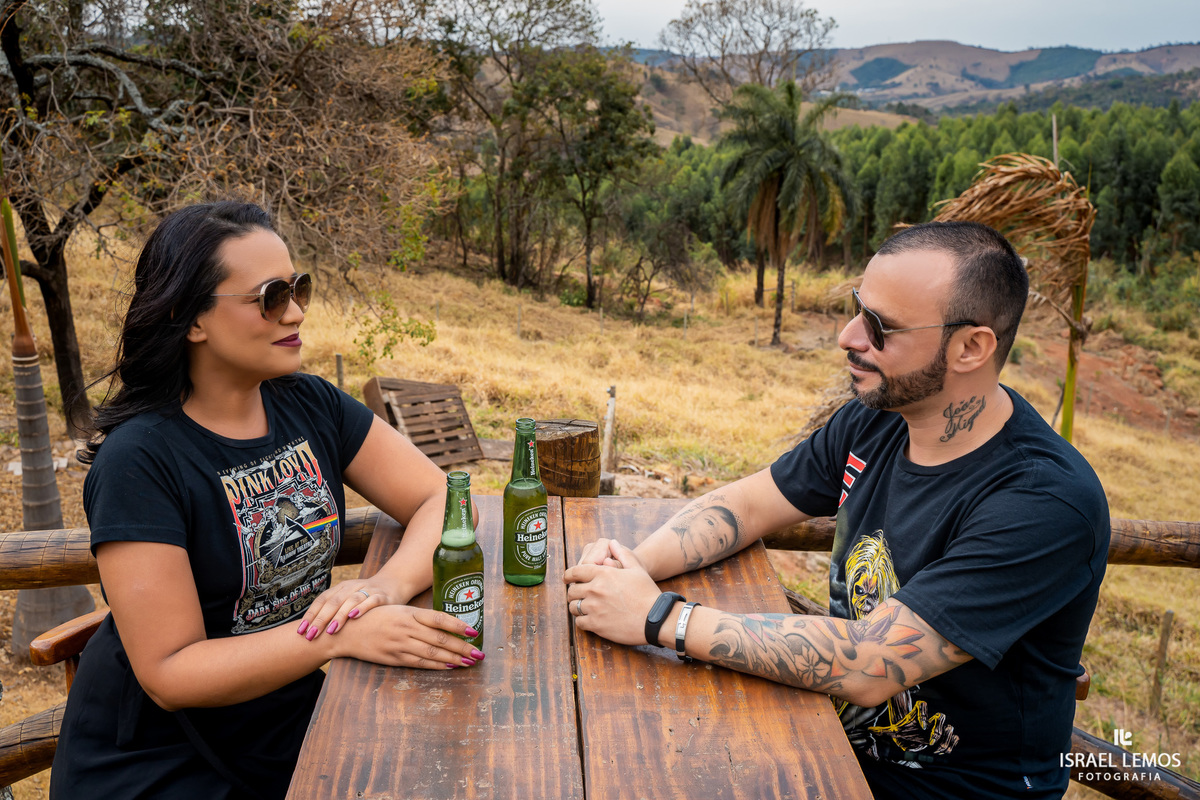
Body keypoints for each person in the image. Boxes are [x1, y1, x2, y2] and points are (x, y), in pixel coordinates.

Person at [564, 221, 1110, 799]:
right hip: (829, 742)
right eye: (857, 308)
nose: (848, 336)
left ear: (970, 348)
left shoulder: (1042, 502)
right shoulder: (878, 419)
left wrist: (659, 618)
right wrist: (632, 566)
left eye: (880, 326)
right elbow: (747, 504)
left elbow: (869, 662)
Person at [51, 202, 484, 800]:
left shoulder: (308, 403)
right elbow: (169, 673)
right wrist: (335, 636)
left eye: (297, 288)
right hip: (161, 761)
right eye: (270, 297)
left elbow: (444, 496)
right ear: (190, 319)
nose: (297, 311)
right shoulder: (140, 460)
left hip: (283, 725)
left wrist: (383, 589)